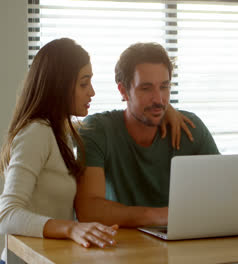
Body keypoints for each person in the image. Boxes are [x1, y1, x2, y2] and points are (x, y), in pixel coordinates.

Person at [0, 38, 194, 263]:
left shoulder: (60, 130)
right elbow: (7, 215)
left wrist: (163, 109)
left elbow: (111, 125)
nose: (92, 92)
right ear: (59, 86)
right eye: (83, 84)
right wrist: (71, 229)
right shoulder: (36, 133)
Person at [75, 42, 220, 228]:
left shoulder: (190, 128)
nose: (158, 100)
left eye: (164, 87)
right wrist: (160, 216)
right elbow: (88, 210)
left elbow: (220, 196)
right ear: (123, 91)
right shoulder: (99, 130)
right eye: (146, 88)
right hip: (122, 249)